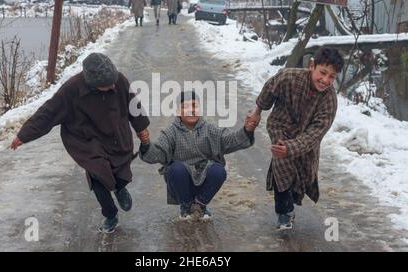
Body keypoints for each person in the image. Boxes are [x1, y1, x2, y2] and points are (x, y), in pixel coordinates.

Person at [11, 53, 150, 233]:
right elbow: (48, 113)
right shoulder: (71, 90)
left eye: (113, 82)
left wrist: (144, 137)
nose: (112, 86)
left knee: (120, 170)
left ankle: (119, 187)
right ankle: (110, 214)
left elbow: (135, 108)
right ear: (91, 83)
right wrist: (24, 135)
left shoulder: (119, 80)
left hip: (115, 134)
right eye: (106, 85)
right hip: (86, 140)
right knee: (98, 173)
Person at [248, 47, 344, 231]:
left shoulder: (329, 100)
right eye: (322, 73)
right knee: (282, 163)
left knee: (304, 172)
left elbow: (316, 133)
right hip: (280, 126)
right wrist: (257, 112)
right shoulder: (289, 77)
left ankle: (292, 197)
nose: (325, 80)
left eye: (331, 77)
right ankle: (284, 213)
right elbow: (269, 88)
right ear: (312, 66)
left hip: (305, 136)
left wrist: (292, 148)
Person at [138, 91, 259, 220]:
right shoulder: (170, 133)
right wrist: (145, 143)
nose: (191, 110)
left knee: (219, 170)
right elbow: (157, 153)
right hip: (181, 182)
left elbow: (231, 140)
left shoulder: (210, 129)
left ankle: (200, 204)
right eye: (185, 107)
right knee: (176, 169)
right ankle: (186, 205)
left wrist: (247, 130)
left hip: (205, 181)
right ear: (178, 111)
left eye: (195, 106)